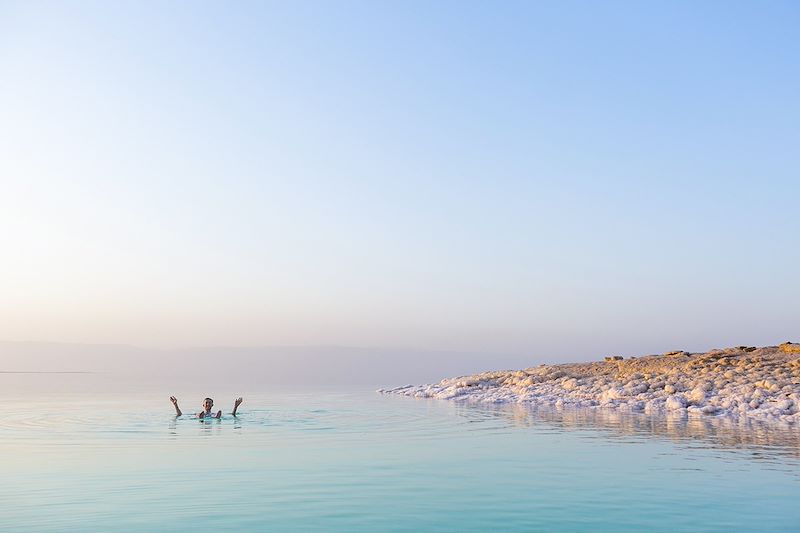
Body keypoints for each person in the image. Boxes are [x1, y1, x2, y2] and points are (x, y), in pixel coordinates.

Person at [170, 396, 243, 418]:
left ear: (212, 405)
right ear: (203, 405)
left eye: (209, 403)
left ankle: (217, 418)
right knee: (198, 415)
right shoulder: (198, 413)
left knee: (214, 415)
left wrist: (235, 407)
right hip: (201, 416)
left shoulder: (213, 414)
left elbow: (232, 415)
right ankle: (201, 419)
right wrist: (175, 405)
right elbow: (180, 415)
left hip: (213, 416)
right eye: (206, 403)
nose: (208, 404)